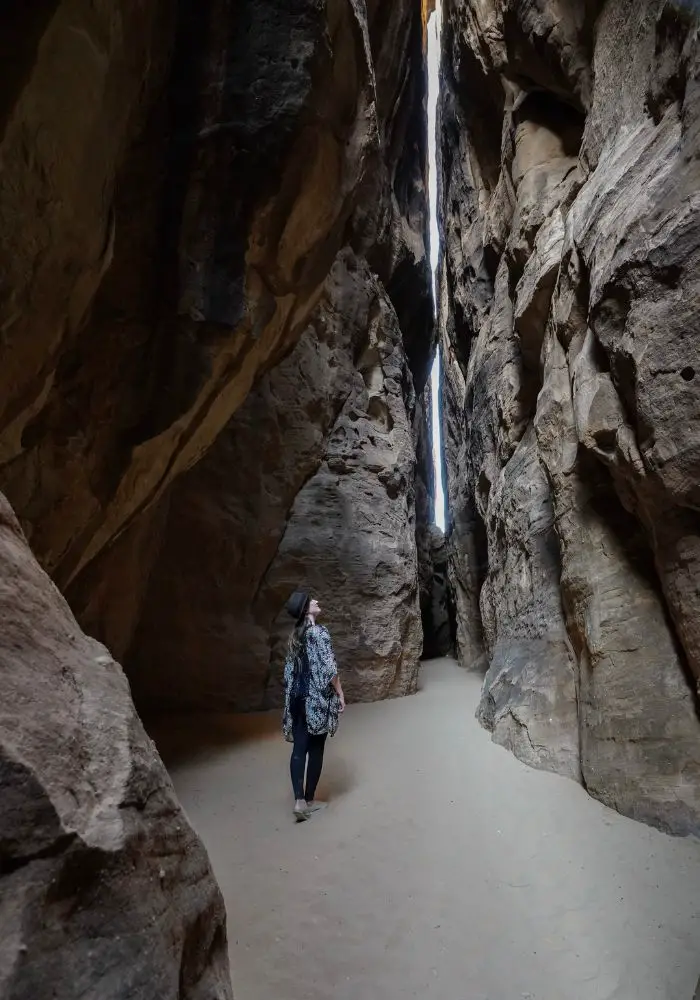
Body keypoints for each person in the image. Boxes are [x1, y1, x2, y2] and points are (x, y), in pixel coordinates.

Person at [283, 590, 345, 821]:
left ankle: (299, 802)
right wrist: (340, 693)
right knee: (316, 748)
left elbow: (288, 674)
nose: (317, 601)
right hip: (316, 700)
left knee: (299, 748)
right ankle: (309, 800)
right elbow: (330, 670)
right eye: (311, 601)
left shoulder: (295, 637)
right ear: (306, 610)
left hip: (296, 700)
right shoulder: (319, 633)